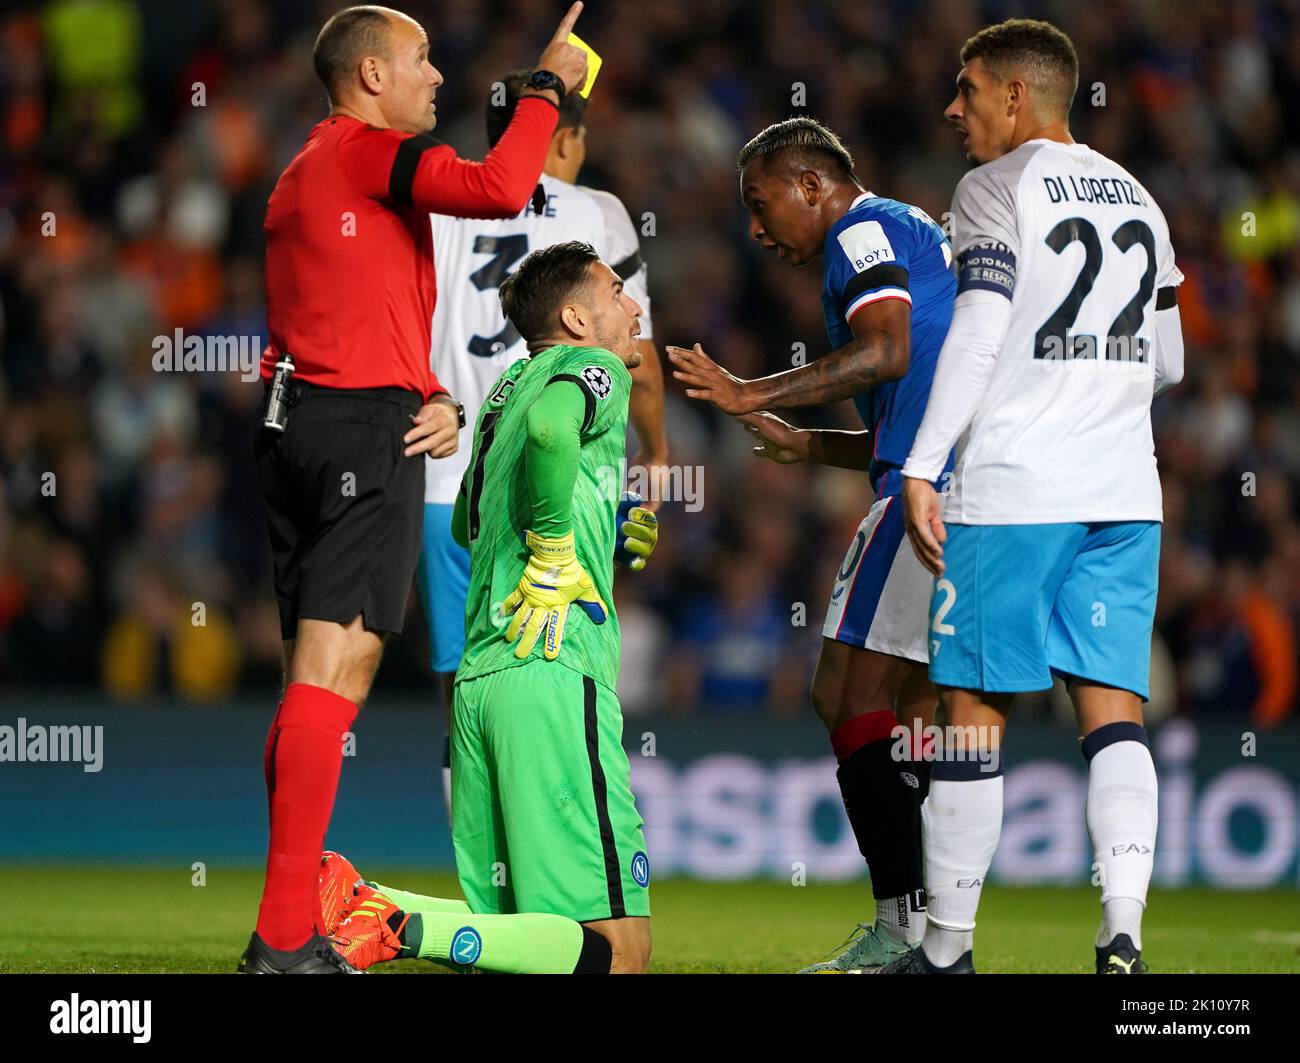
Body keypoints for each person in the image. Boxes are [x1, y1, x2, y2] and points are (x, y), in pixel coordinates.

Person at [240, 3, 589, 974]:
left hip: (306, 418)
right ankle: (281, 941)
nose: (439, 77)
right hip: (355, 431)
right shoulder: (361, 155)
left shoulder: (308, 169)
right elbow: (501, 186)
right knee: (332, 674)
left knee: (311, 679)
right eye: (423, 60)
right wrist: (546, 88)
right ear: (369, 79)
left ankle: (290, 914)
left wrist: (427, 388)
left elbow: (337, 316)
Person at [893, 18, 1184, 975]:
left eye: (968, 89)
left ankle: (947, 951)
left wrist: (922, 464)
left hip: (1015, 487)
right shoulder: (1141, 198)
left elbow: (978, 329)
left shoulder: (992, 186)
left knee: (968, 705)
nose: (954, 107)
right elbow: (1170, 359)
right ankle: (1124, 935)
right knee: (1115, 715)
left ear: (1015, 96)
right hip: (1123, 493)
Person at [666, 117, 955, 971]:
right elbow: (916, 398)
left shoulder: (860, 230)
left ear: (811, 184)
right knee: (915, 710)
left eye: (763, 205)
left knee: (845, 690)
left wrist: (750, 390)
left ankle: (904, 928)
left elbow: (887, 351)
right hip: (969, 482)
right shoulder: (906, 227)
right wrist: (809, 442)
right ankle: (938, 927)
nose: (758, 229)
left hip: (928, 494)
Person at [321, 242, 658, 974]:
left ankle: (362, 900)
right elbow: (552, 434)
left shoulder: (505, 394)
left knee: (519, 932)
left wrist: (603, 508)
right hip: (554, 664)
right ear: (576, 316)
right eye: (616, 291)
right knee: (622, 952)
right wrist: (559, 547)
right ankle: (401, 926)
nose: (633, 306)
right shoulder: (591, 368)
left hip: (483, 678)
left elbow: (468, 519)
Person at [419, 67, 669, 816]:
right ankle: (554, 866)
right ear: (567, 137)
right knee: (559, 680)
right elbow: (639, 354)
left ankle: (482, 876)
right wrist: (655, 458)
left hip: (449, 485)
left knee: (464, 690)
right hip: (563, 481)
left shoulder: (438, 211)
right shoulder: (597, 213)